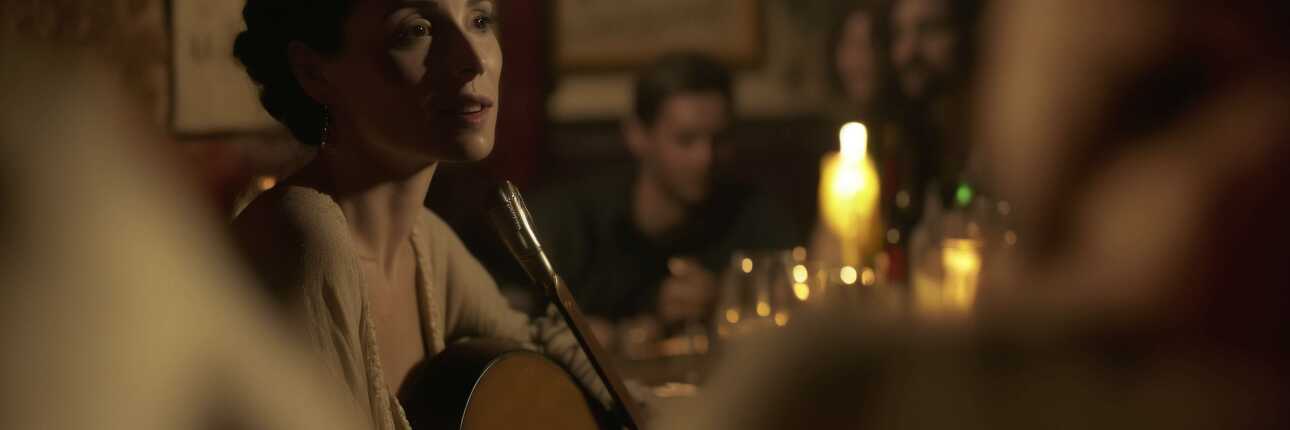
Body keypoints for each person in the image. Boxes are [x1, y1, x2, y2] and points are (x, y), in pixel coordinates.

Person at [653, 0, 1290, 428]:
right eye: (897, 35)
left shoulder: (840, 381)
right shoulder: (905, 147)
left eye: (928, 31)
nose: (908, 53)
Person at [229, 1, 609, 429]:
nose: (471, 60)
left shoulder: (424, 241)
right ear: (313, 71)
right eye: (417, 30)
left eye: (480, 21)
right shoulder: (303, 233)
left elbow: (538, 346)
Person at [527, 53, 800, 348]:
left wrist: (725, 302)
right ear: (637, 135)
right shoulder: (574, 222)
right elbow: (518, 320)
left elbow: (801, 316)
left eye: (719, 140)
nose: (705, 158)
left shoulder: (753, 214)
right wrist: (620, 334)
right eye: (686, 140)